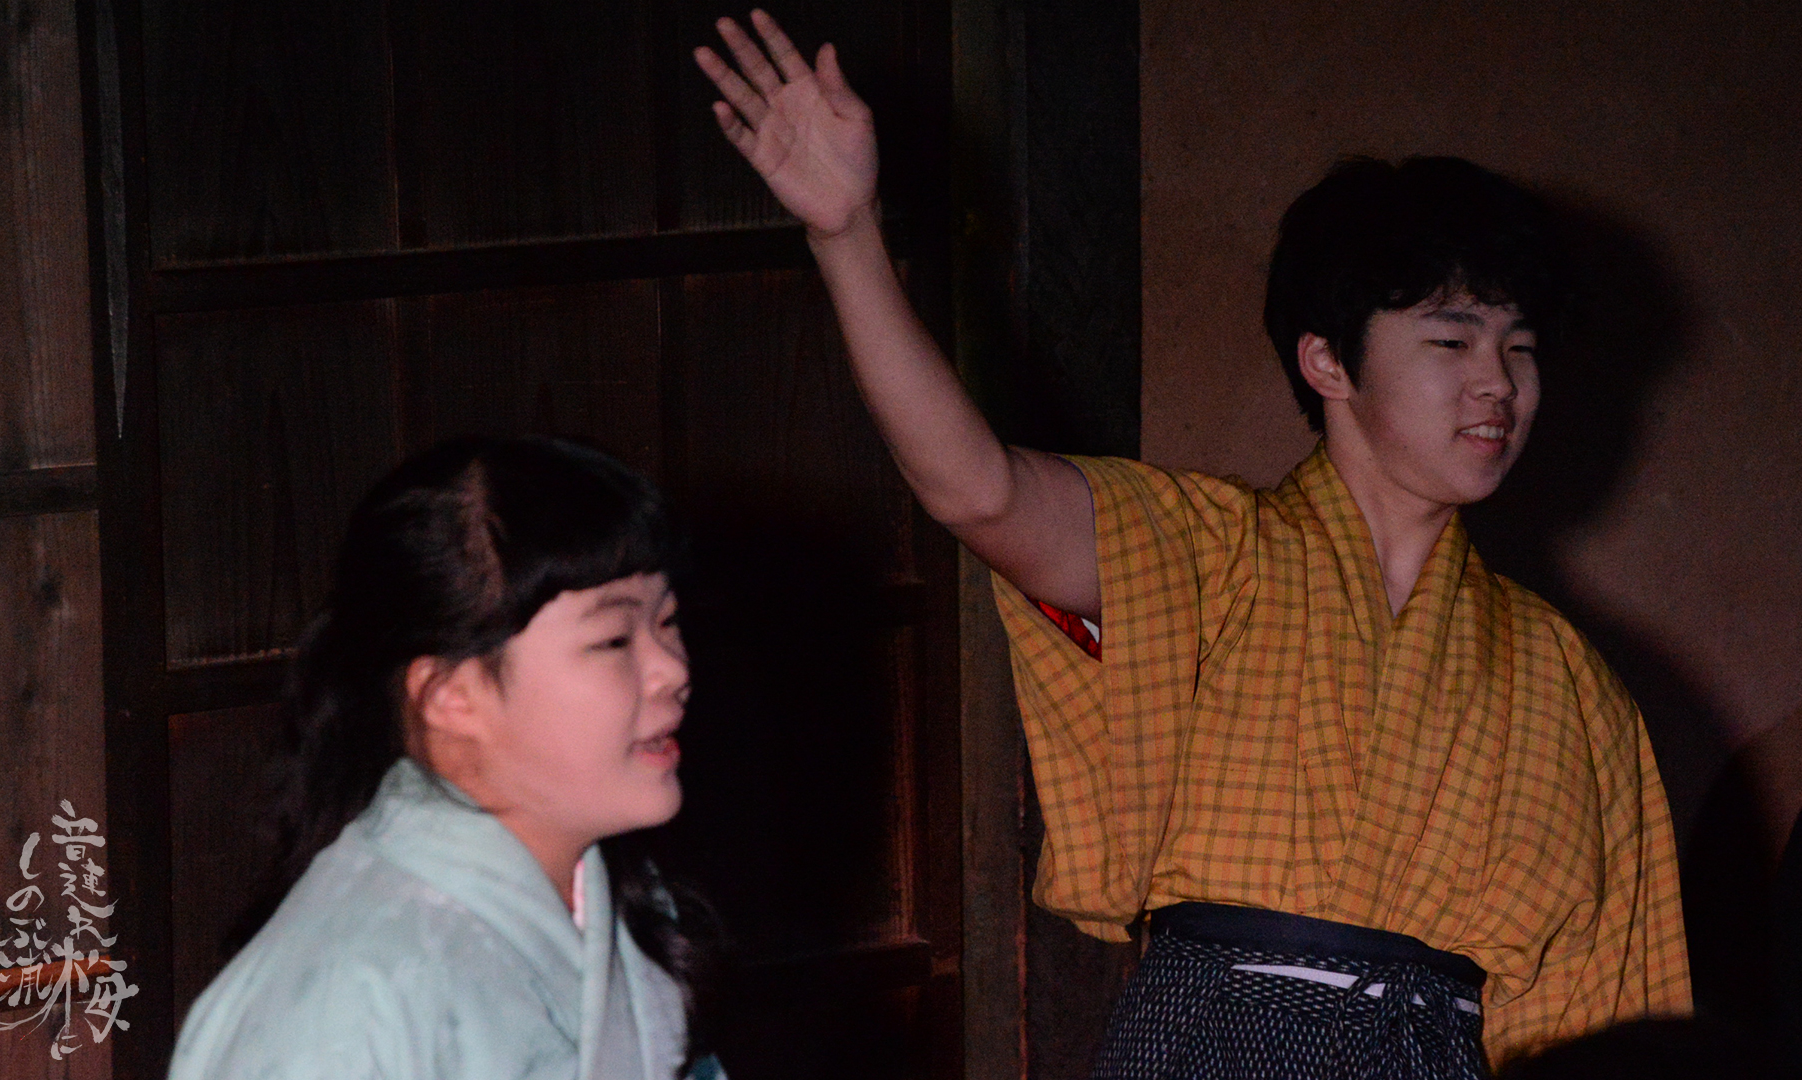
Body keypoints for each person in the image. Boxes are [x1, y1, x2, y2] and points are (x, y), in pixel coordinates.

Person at [696, 11, 1691, 1076]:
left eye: (1520, 348)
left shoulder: (1569, 683)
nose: (1498, 384)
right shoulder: (1206, 554)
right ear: (1327, 362)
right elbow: (977, 490)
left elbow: (1612, 1020)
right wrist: (847, 236)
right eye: (1452, 339)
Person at [168, 436, 723, 1080]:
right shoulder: (346, 1001)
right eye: (614, 640)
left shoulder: (629, 907)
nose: (672, 670)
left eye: (668, 622)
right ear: (451, 696)